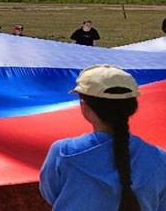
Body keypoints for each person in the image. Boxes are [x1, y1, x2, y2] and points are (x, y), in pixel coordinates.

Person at [39, 64, 166, 210]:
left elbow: (51, 194)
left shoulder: (63, 152)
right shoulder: (160, 158)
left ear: (84, 107)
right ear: (132, 107)